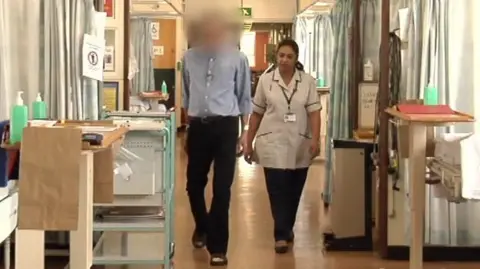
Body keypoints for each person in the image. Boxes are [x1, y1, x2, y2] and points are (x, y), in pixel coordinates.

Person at [182, 14, 252, 266]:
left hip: (226, 126)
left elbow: (244, 97)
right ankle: (203, 225)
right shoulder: (189, 57)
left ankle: (218, 248)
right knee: (193, 185)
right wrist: (188, 129)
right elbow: (187, 95)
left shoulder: (237, 58)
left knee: (222, 188)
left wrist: (245, 133)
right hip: (199, 127)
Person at [243, 39, 322, 254]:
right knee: (277, 190)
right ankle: (280, 235)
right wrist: (248, 140)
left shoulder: (307, 82)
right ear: (276, 57)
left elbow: (315, 112)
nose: (284, 60)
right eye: (281, 55)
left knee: (294, 191)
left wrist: (316, 139)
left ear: (296, 59)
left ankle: (286, 228)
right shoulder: (266, 81)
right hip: (272, 142)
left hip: (300, 142)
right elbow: (257, 113)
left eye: (289, 56)